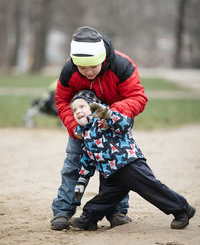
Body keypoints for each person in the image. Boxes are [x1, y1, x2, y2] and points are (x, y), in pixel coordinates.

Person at [51, 26, 148, 230]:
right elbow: (61, 100)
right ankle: (63, 211)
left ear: (102, 58)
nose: (87, 73)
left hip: (113, 126)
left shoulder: (122, 65)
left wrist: (111, 113)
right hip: (83, 129)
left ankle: (117, 212)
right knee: (73, 168)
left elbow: (138, 97)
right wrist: (74, 126)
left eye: (92, 67)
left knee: (117, 169)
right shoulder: (69, 69)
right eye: (82, 68)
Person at [69, 90, 196, 231]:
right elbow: (87, 160)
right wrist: (81, 182)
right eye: (74, 110)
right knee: (105, 198)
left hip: (128, 164)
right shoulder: (84, 134)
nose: (78, 111)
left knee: (151, 188)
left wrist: (107, 114)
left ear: (94, 106)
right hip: (110, 173)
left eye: (82, 106)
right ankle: (89, 218)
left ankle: (182, 210)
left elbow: (125, 124)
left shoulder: (105, 119)